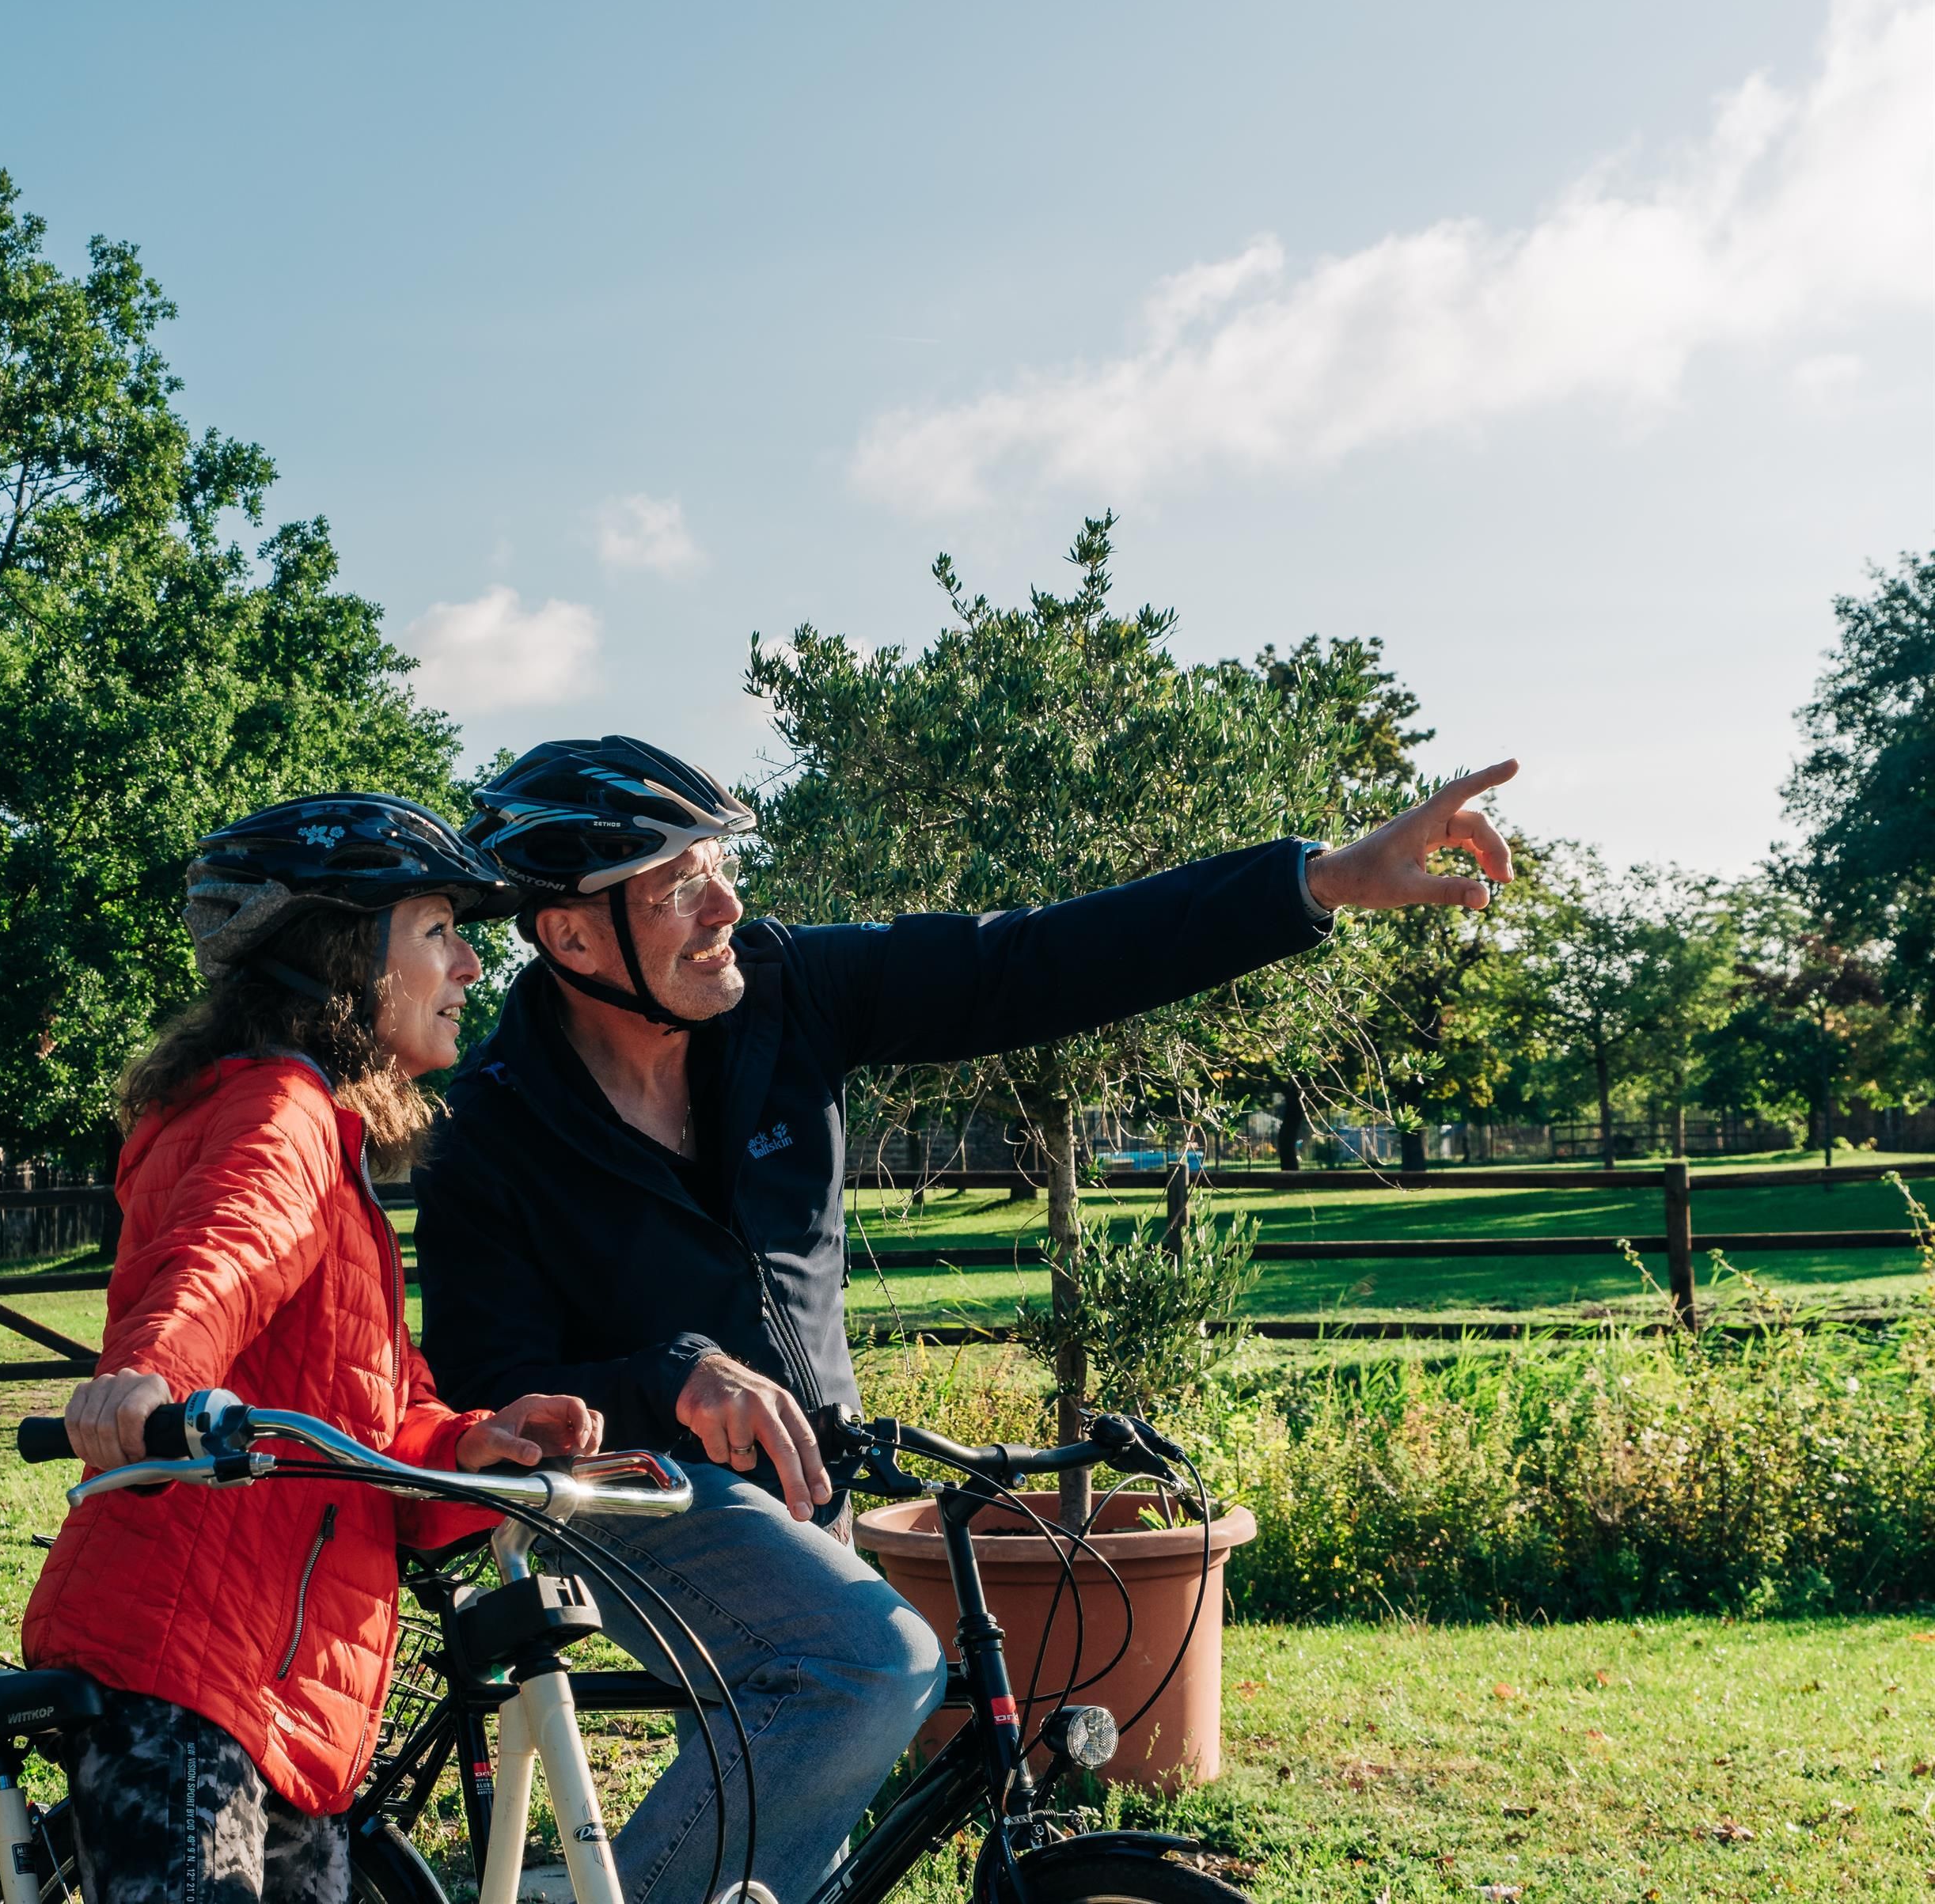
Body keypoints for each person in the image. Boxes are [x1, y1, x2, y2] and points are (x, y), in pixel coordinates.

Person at [415, 734, 1519, 1901]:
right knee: (869, 1662)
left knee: (795, 1857)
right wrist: (677, 1373)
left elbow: (1031, 960)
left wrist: (1317, 880)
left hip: (807, 1483)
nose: (726, 905)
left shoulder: (786, 993)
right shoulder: (491, 1130)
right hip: (630, 1495)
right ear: (572, 936)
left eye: (720, 868)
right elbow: (489, 1389)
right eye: (678, 886)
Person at [22, 794, 606, 1904]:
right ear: (344, 954)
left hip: (279, 1692)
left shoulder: (329, 1148)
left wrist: (476, 1441)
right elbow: (225, 1254)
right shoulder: (281, 1111)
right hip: (192, 1660)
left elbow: (367, 1421)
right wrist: (150, 1376)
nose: (471, 964)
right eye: (438, 930)